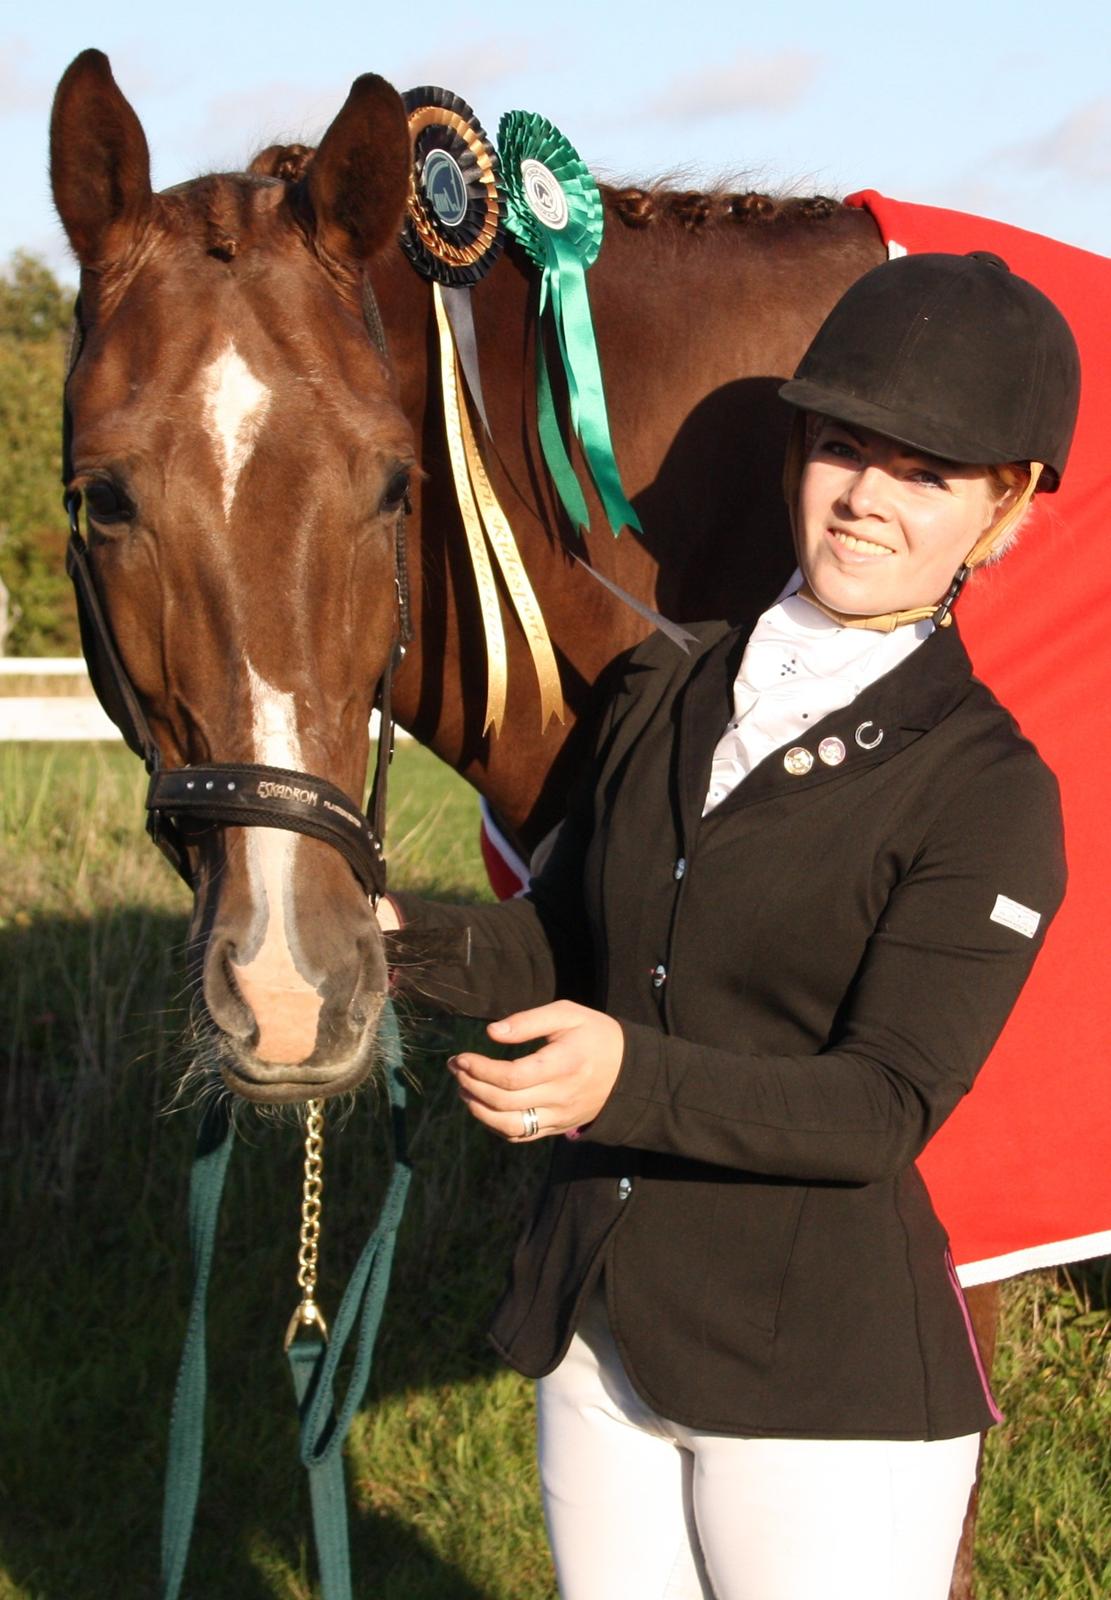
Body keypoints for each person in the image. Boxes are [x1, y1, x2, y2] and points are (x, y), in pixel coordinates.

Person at [377, 252, 1081, 1600]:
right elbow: (575, 951)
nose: (868, 498)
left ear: (1004, 509)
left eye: (925, 474)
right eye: (844, 448)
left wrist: (621, 1078)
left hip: (821, 1382)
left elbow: (879, 1105)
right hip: (601, 1332)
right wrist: (378, 937)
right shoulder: (669, 685)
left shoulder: (990, 791)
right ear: (795, 457)